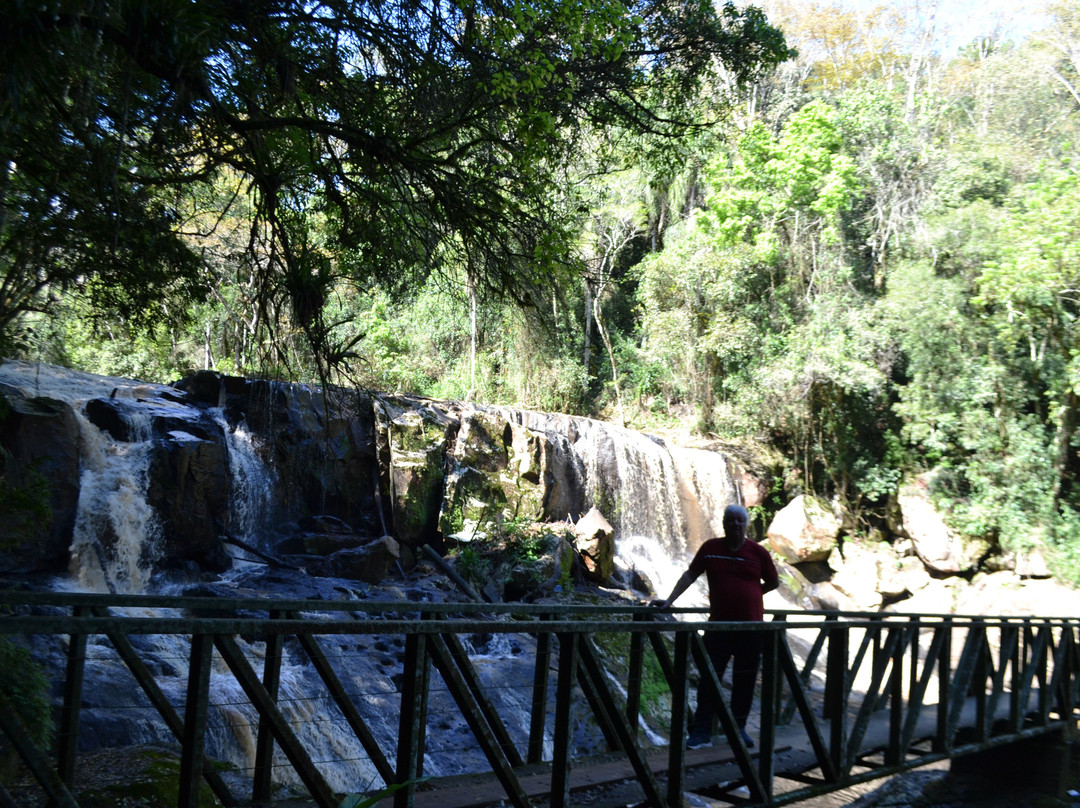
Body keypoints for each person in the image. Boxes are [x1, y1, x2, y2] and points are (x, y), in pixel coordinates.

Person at [658, 503, 779, 749]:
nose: (735, 524)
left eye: (740, 521)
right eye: (731, 520)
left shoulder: (758, 552)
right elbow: (690, 575)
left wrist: (752, 594)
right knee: (709, 678)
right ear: (723, 523)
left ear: (746, 525)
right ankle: (702, 732)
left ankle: (738, 729)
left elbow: (773, 582)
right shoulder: (710, 548)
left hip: (751, 628)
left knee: (744, 680)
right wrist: (670, 601)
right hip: (718, 626)